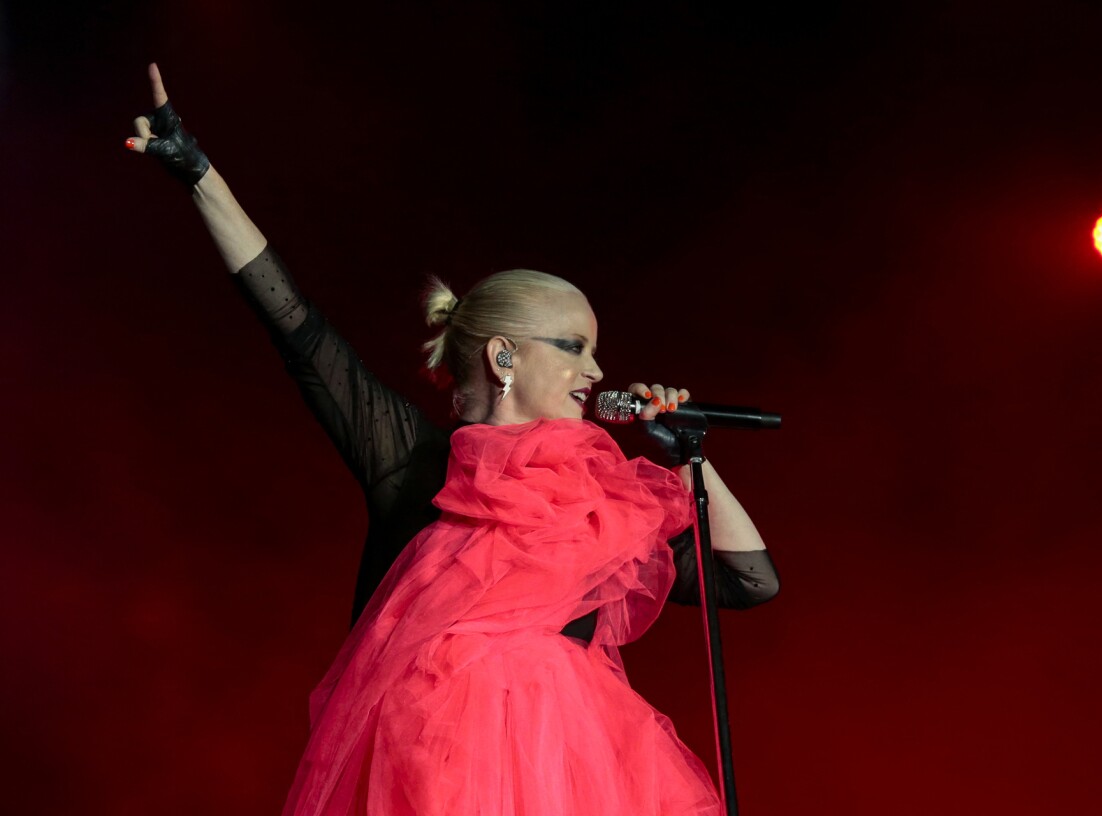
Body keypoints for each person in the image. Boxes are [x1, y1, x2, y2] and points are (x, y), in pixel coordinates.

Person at [127, 63, 779, 815]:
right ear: (505, 356)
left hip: (577, 783)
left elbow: (749, 582)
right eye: (573, 346)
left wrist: (692, 454)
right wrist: (199, 174)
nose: (596, 370)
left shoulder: (600, 501)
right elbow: (298, 327)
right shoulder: (416, 464)